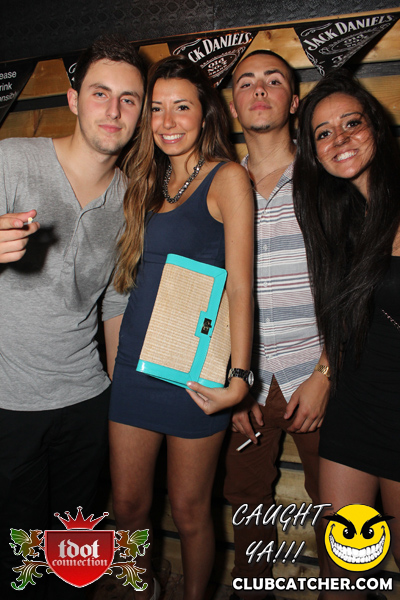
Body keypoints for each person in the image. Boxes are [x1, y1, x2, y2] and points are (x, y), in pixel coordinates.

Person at [0, 35, 145, 599]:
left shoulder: (131, 199)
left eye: (129, 99)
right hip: (10, 403)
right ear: (73, 99)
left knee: (75, 559)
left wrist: (119, 397)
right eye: (100, 93)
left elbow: (115, 303)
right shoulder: (12, 160)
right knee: (20, 563)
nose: (114, 109)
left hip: (86, 402)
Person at [109, 55, 254, 600]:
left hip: (195, 372)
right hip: (134, 367)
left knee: (191, 511)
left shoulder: (227, 178)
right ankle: (140, 590)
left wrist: (240, 378)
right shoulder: (143, 181)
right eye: (156, 109)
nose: (168, 122)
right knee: (127, 507)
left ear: (205, 113)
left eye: (182, 107)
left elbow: (241, 289)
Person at [222, 51, 330, 600]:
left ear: (293, 102)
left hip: (318, 372)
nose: (259, 90)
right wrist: (229, 381)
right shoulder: (220, 185)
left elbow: (355, 284)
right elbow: (214, 292)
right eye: (246, 82)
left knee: (341, 506)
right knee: (247, 502)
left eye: (273, 80)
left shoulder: (325, 176)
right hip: (246, 380)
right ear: (233, 105)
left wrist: (327, 374)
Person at [293, 69, 400, 597]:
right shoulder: (336, 217)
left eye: (352, 123)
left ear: (374, 126)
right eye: (324, 133)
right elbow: (344, 318)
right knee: (342, 572)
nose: (340, 138)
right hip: (354, 410)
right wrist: (325, 373)